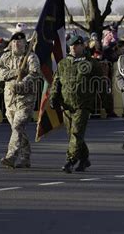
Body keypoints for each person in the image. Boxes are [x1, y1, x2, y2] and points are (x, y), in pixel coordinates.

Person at [50, 35, 103, 173]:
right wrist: (53, 98)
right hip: (66, 105)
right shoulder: (63, 63)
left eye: (76, 45)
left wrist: (103, 101)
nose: (73, 47)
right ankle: (84, 159)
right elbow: (57, 82)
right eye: (71, 45)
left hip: (83, 104)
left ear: (83, 46)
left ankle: (70, 160)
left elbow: (100, 82)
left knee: (76, 133)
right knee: (73, 135)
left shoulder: (91, 64)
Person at [0, 32, 40, 169]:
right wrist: (14, 73)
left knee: (18, 126)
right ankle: (25, 157)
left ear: (25, 43)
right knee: (18, 130)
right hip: (10, 100)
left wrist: (22, 82)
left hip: (25, 99)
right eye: (14, 41)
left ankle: (11, 156)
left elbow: (35, 73)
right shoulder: (6, 56)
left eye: (20, 41)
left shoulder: (31, 57)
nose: (16, 44)